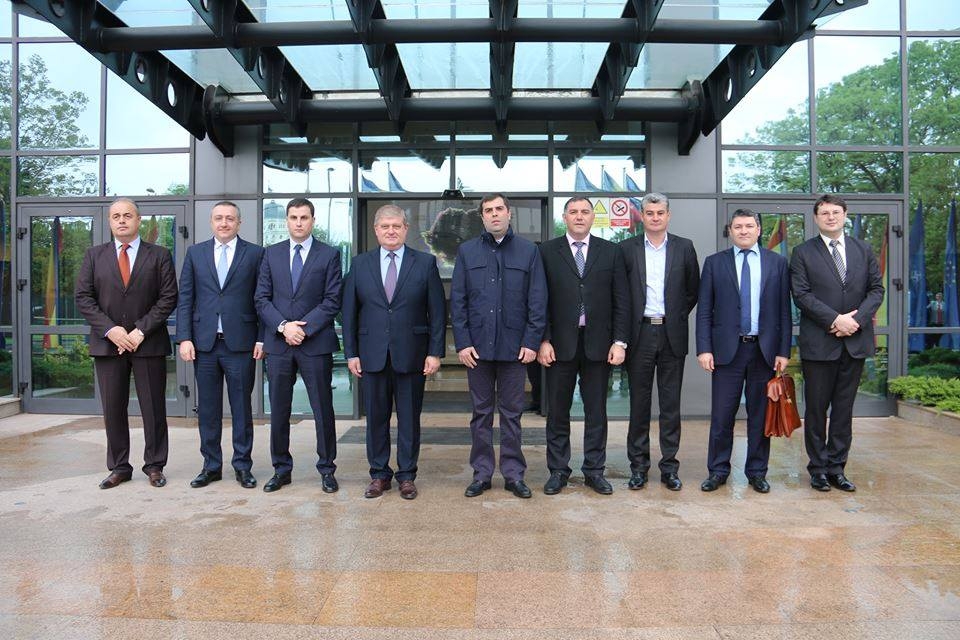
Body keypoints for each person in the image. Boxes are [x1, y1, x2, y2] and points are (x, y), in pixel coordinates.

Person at [342, 204, 446, 500]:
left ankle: (407, 476)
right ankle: (379, 474)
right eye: (385, 226)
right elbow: (348, 312)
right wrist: (351, 353)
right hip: (371, 354)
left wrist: (435, 352)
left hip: (412, 355)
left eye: (396, 226)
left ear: (405, 229)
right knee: (376, 419)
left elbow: (437, 312)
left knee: (409, 419)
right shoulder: (360, 264)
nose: (391, 231)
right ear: (376, 230)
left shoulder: (425, 263)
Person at [75, 198, 178, 489]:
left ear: (138, 220)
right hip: (108, 345)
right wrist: (111, 330)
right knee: (113, 408)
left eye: (127, 215)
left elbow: (168, 297)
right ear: (110, 222)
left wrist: (139, 331)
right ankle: (119, 467)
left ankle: (155, 465)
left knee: (153, 408)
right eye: (116, 216)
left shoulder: (159, 255)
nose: (122, 220)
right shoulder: (94, 256)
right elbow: (83, 297)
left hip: (148, 343)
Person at [451, 193, 547, 499]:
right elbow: (458, 301)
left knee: (512, 414)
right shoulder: (467, 252)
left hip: (515, 350)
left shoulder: (529, 251)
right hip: (477, 351)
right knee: (480, 414)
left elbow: (537, 300)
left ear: (509, 213)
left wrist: (531, 342)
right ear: (482, 216)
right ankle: (481, 474)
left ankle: (513, 474)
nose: (494, 214)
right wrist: (462, 343)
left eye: (499, 209)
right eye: (488, 210)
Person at [790, 194, 884, 492]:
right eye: (824, 213)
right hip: (820, 343)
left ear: (845, 215)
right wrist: (834, 320)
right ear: (816, 218)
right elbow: (801, 294)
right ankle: (818, 469)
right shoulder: (803, 252)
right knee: (816, 410)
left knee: (844, 410)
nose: (830, 217)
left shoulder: (863, 249)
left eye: (835, 212)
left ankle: (836, 468)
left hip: (854, 342)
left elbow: (876, 290)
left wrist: (855, 321)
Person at [538, 196, 629, 495]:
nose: (579, 216)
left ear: (593, 217)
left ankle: (594, 471)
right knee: (557, 412)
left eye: (585, 212)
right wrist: (543, 339)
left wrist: (619, 342)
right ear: (564, 217)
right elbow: (539, 299)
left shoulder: (611, 251)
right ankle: (558, 471)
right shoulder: (547, 251)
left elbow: (621, 300)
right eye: (573, 212)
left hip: (599, 345)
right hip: (558, 345)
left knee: (596, 413)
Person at [695, 209, 791, 494]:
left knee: (760, 417)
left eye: (749, 226)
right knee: (722, 416)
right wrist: (704, 349)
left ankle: (757, 472)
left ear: (759, 229)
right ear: (730, 231)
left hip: (764, 351)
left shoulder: (777, 263)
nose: (744, 231)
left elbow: (784, 312)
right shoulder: (714, 263)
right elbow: (704, 311)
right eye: (738, 226)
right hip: (727, 352)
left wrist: (783, 351)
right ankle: (718, 471)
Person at [255, 197, 343, 493]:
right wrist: (284, 327)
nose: (298, 223)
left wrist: (303, 329)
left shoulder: (329, 254)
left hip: (315, 343)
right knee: (279, 409)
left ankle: (327, 469)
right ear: (287, 221)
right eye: (293, 217)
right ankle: (281, 469)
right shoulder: (271, 254)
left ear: (313, 220)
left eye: (304, 217)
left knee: (323, 409)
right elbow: (261, 298)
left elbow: (332, 300)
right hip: (280, 344)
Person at [176, 201, 264, 489]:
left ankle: (242, 466)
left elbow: (263, 299)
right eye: (218, 218)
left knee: (241, 409)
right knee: (208, 409)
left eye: (229, 218)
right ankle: (211, 466)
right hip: (205, 345)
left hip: (241, 344)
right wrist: (184, 337)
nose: (224, 223)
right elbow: (185, 298)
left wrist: (262, 337)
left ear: (239, 222)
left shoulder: (255, 254)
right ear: (211, 222)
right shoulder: (195, 253)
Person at [620, 192, 699, 491]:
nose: (655, 217)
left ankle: (669, 468)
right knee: (639, 405)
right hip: (639, 334)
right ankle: (638, 467)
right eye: (650, 213)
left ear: (668, 215)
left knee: (670, 405)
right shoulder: (626, 249)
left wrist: (674, 317)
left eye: (660, 212)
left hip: (671, 334)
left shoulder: (684, 247)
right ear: (641, 216)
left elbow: (692, 291)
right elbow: (621, 294)